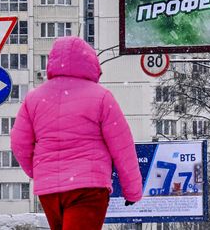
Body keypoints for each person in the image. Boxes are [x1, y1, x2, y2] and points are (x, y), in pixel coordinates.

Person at [10, 36, 142, 230]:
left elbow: (18, 143)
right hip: (88, 188)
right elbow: (122, 147)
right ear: (90, 62)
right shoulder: (101, 97)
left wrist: (40, 171)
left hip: (50, 192)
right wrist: (133, 191)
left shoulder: (34, 98)